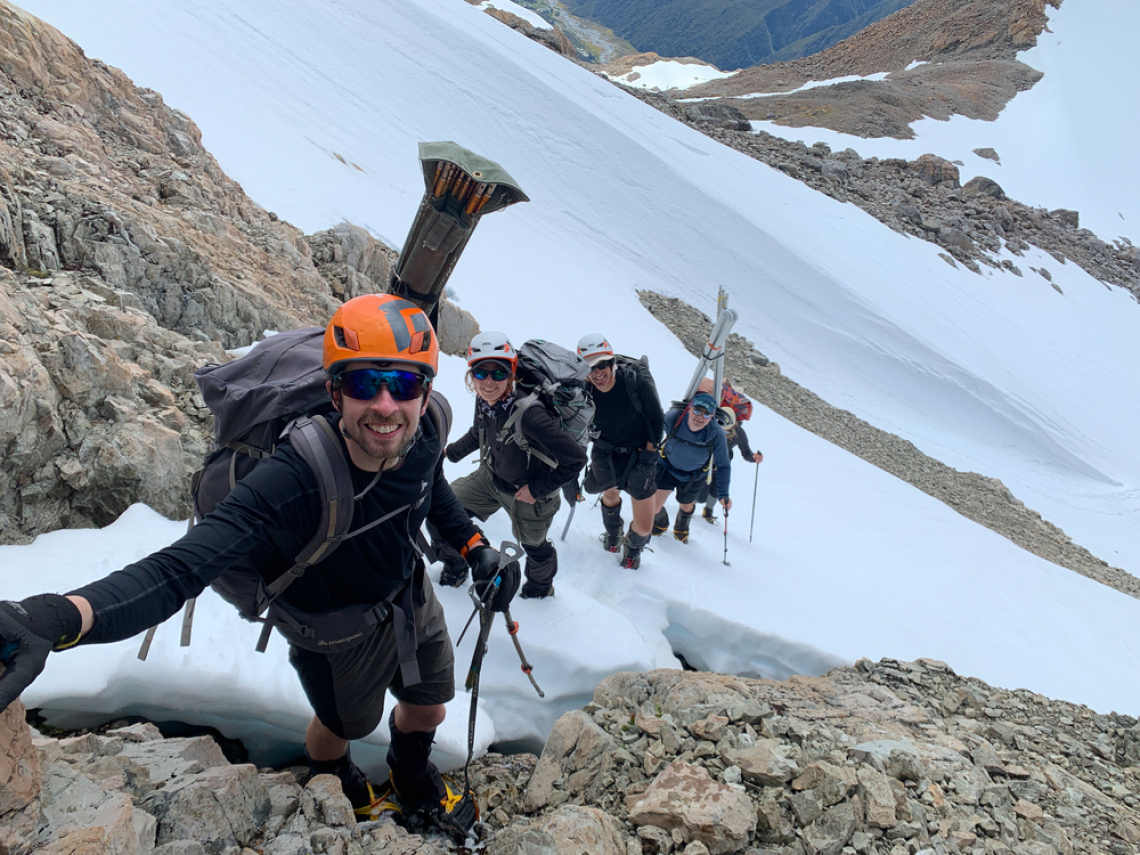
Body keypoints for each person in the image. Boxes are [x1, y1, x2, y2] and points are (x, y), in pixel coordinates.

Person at [0, 294, 519, 835]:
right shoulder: (297, 474)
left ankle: (410, 774)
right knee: (342, 726)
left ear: (426, 390)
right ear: (334, 391)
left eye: (405, 385)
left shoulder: (427, 427)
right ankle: (334, 777)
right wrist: (59, 617)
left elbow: (429, 489)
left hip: (409, 596)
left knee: (431, 706)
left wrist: (473, 547)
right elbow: (182, 567)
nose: (386, 406)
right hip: (333, 630)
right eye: (365, 384)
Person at [431, 333, 586, 600]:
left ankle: (540, 590)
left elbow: (576, 460)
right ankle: (458, 567)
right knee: (440, 513)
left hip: (529, 494)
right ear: (472, 375)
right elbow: (479, 430)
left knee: (534, 547)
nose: (489, 381)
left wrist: (536, 490)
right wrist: (448, 453)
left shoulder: (531, 415)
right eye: (481, 373)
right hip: (491, 477)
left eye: (498, 373)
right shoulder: (485, 400)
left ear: (511, 373)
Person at [576, 333, 664, 570]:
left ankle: (632, 547)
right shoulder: (583, 390)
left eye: (602, 365)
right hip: (605, 452)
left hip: (639, 455)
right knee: (611, 495)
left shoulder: (635, 384)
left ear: (612, 363)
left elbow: (657, 421)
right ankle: (613, 534)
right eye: (590, 367)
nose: (597, 373)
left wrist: (647, 459)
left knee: (645, 526)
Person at [652, 391, 732, 542]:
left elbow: (723, 465)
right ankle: (661, 523)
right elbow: (652, 432)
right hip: (667, 467)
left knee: (686, 505)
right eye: (697, 410)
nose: (700, 417)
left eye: (706, 414)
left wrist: (723, 495)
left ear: (712, 417)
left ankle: (682, 527)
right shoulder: (673, 418)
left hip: (694, 476)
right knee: (653, 506)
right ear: (689, 408)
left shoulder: (716, 434)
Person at [697, 406, 763, 524]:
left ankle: (708, 511)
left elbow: (746, 452)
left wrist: (754, 457)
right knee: (700, 494)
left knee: (716, 492)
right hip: (704, 463)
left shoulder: (739, 433)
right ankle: (688, 506)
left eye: (727, 431)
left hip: (721, 466)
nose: (723, 433)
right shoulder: (709, 425)